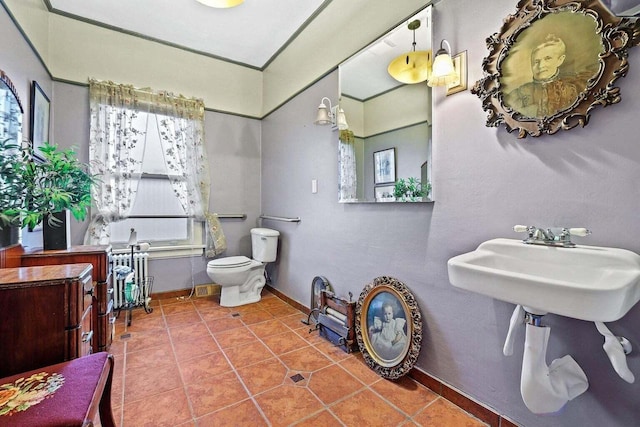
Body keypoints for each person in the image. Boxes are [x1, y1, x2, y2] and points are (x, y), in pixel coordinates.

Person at [505, 34, 589, 118]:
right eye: (536, 61)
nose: (541, 66)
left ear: (560, 60)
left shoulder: (574, 87)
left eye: (547, 58)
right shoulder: (518, 94)